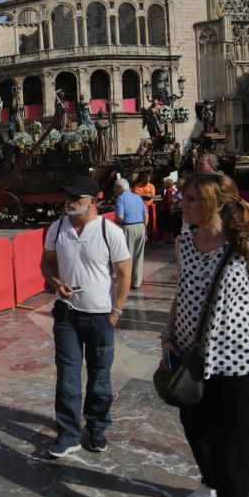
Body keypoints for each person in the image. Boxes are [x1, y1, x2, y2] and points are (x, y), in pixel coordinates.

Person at [161, 174, 249, 497]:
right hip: (192, 363)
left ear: (215, 203)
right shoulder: (185, 241)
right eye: (183, 198)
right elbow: (182, 291)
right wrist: (169, 334)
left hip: (240, 371)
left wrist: (239, 328)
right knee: (194, 427)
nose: (183, 205)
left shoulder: (247, 248)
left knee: (232, 458)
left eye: (191, 199)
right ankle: (210, 482)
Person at [40, 176, 131, 456]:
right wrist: (55, 283)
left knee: (99, 375)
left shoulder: (109, 231)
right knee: (67, 375)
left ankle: (97, 425)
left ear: (93, 200)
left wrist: (115, 312)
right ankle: (68, 433)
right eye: (67, 196)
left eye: (76, 198)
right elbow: (46, 263)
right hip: (67, 315)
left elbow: (125, 273)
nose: (69, 202)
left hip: (101, 316)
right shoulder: (56, 229)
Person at [113, 178, 148, 289]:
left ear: (119, 187)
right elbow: (146, 216)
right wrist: (144, 228)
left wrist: (116, 221)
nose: (114, 190)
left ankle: (126, 282)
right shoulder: (137, 197)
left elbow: (120, 217)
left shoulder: (121, 198)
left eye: (114, 187)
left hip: (128, 228)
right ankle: (137, 282)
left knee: (127, 257)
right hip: (141, 227)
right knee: (139, 256)